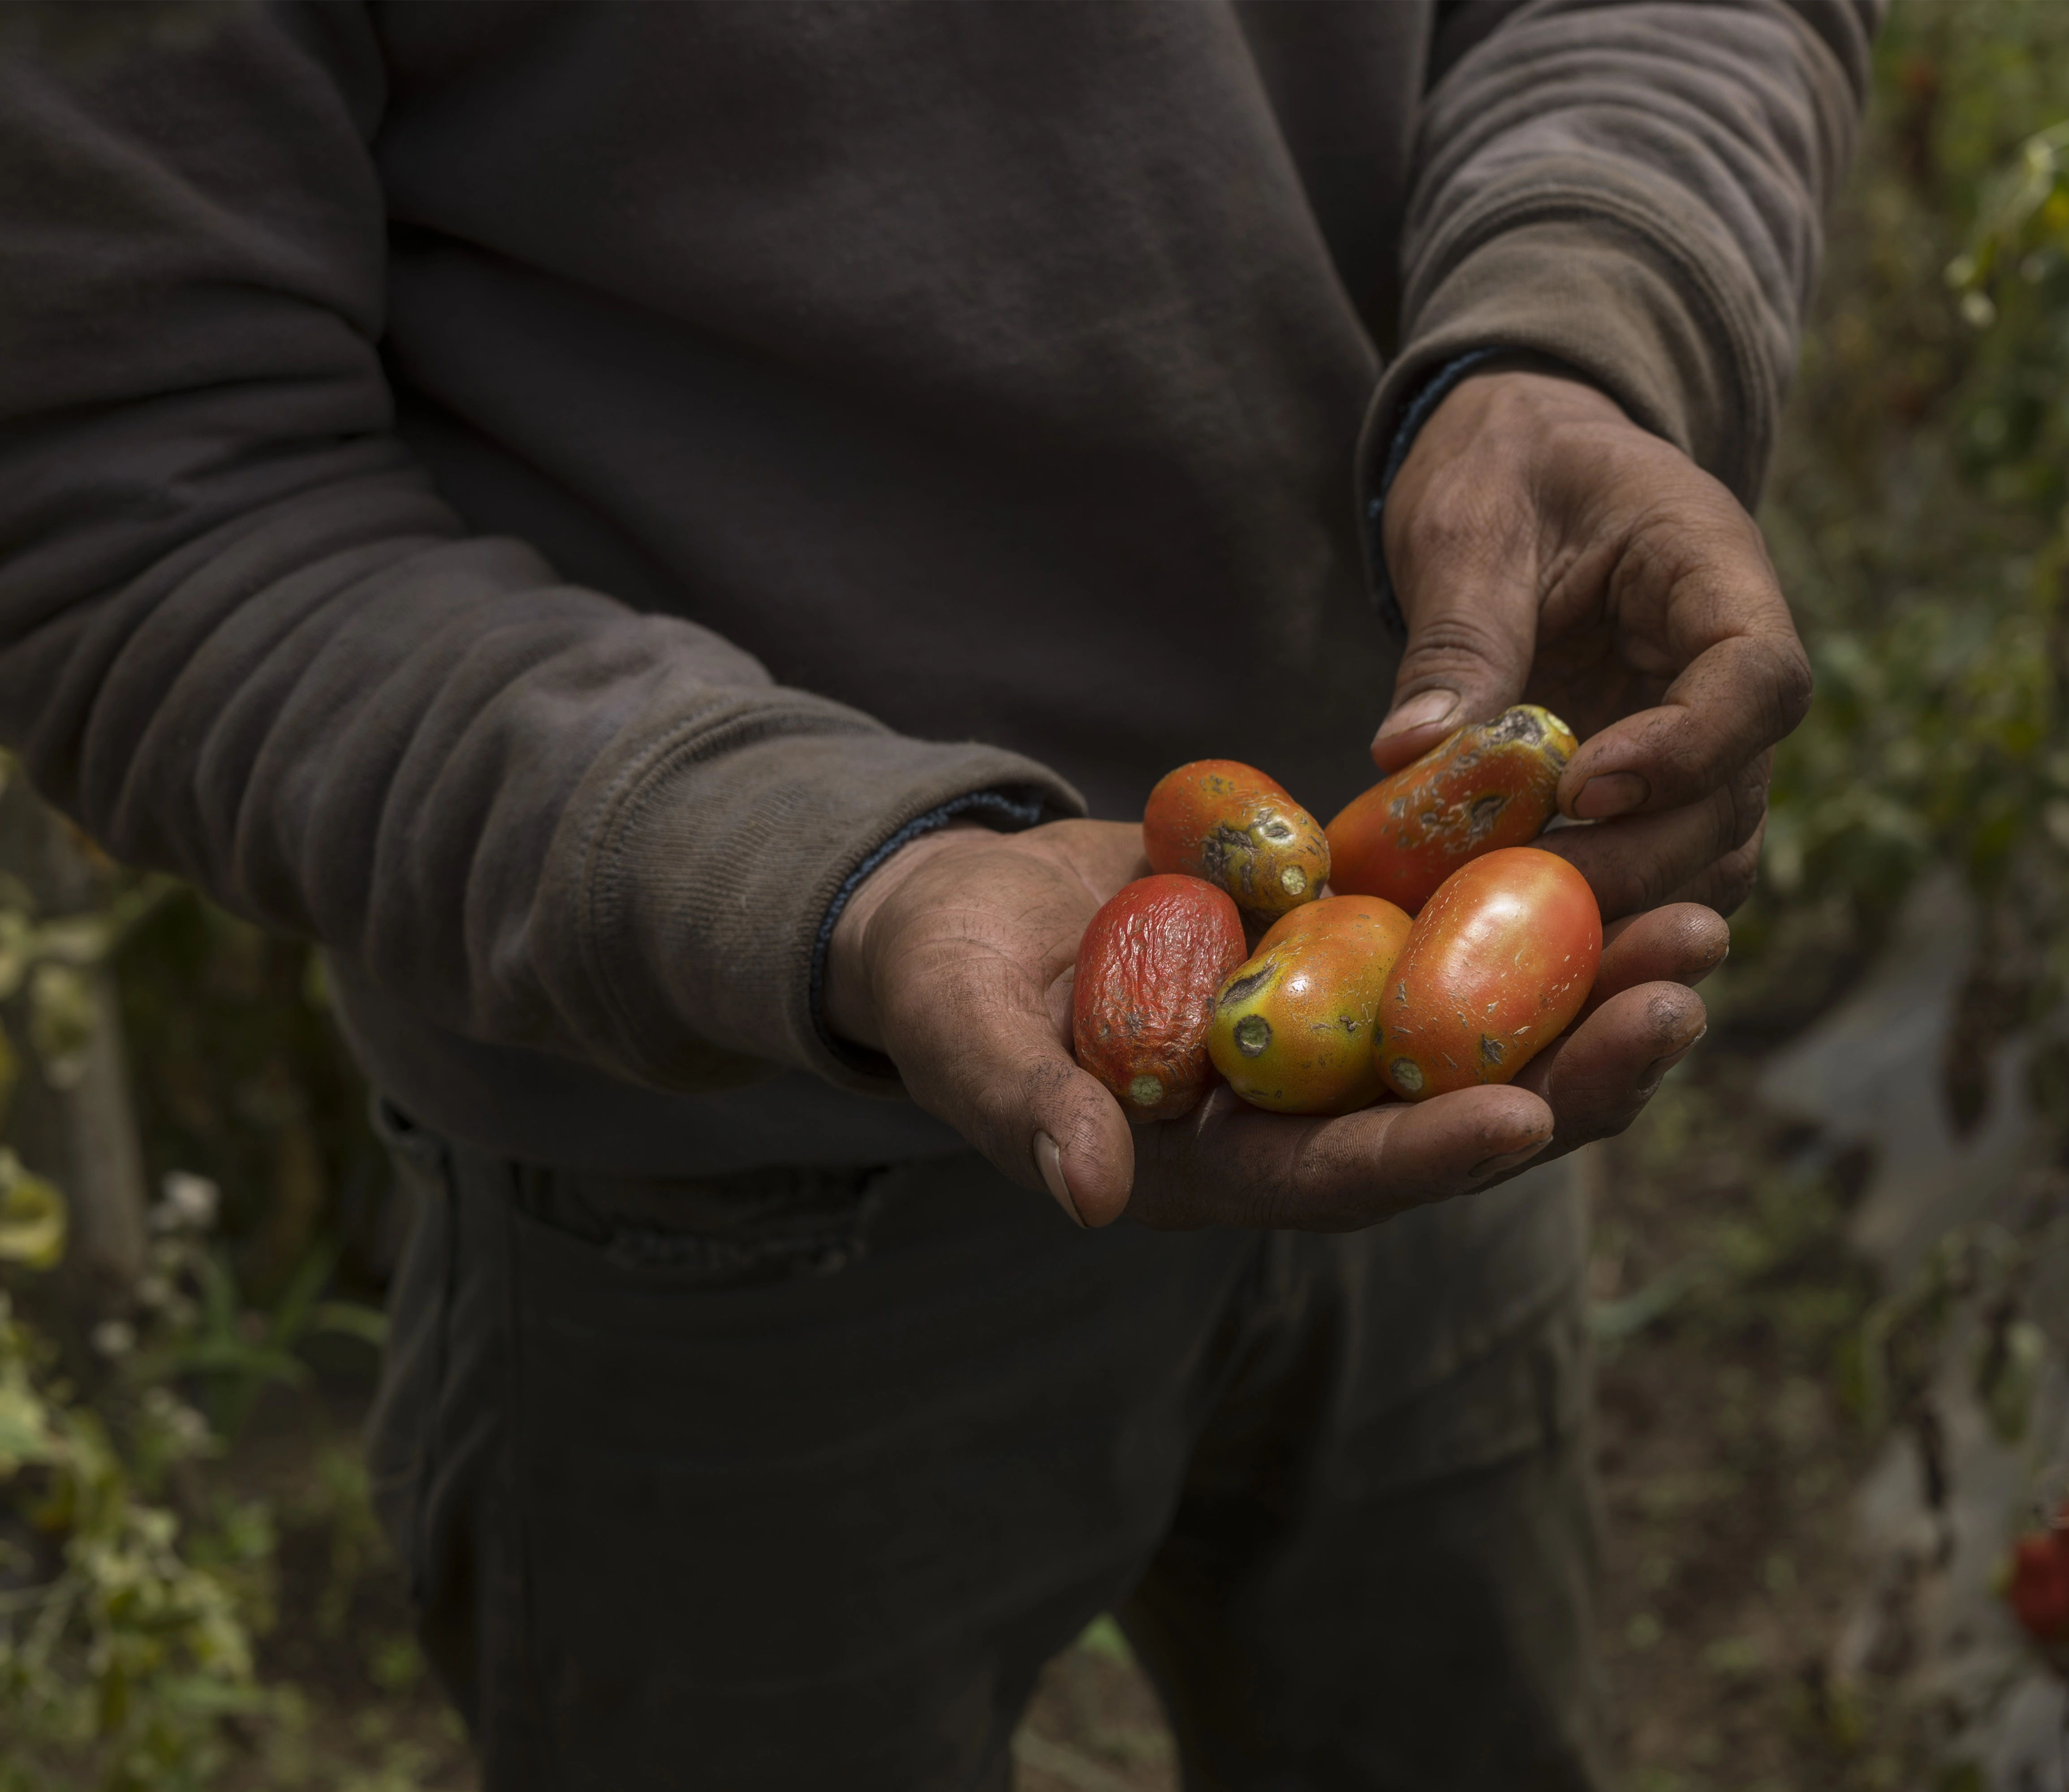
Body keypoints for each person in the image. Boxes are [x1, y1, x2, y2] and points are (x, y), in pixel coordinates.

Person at [0, 1, 1875, 1785]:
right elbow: (135, 502)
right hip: (714, 1185)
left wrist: (1574, 321)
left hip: (1415, 1046)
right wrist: (808, 871)